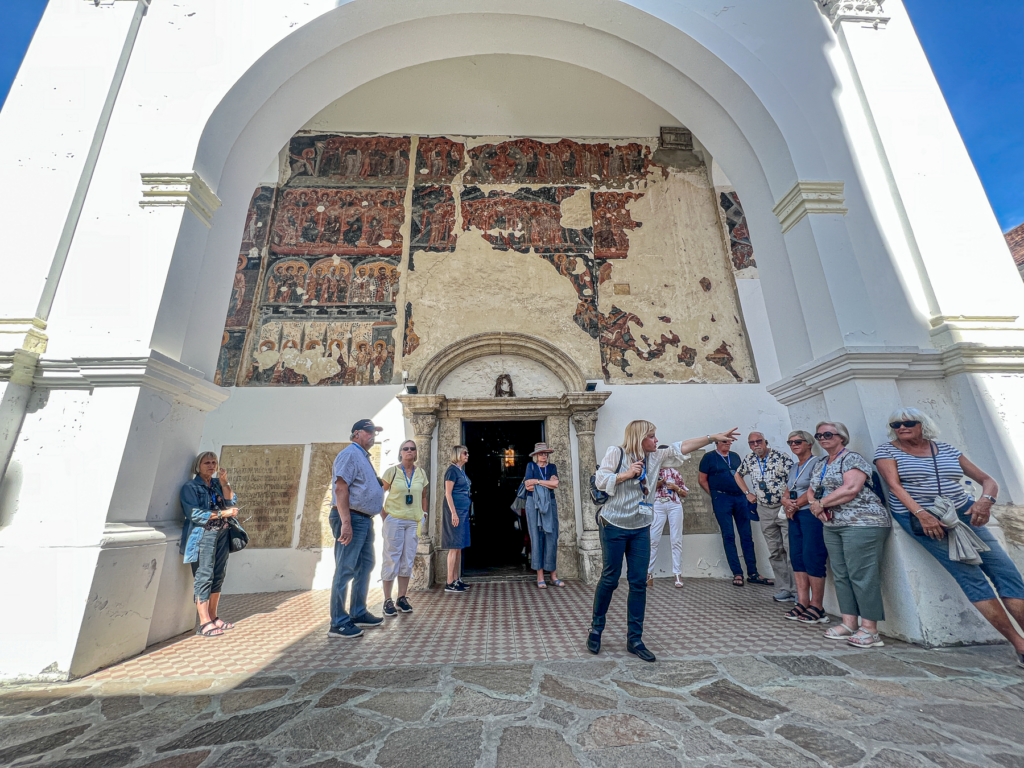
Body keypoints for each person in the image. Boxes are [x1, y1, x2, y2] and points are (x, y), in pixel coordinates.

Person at [875, 408, 1024, 668]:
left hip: (963, 512)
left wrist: (985, 502)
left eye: (908, 423)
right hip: (924, 519)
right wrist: (922, 514)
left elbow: (987, 480)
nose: (901, 427)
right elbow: (894, 486)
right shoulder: (887, 451)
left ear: (923, 425)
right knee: (971, 577)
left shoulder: (946, 449)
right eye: (896, 425)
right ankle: (1019, 644)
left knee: (1005, 571)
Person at [588, 421, 740, 662]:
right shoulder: (615, 452)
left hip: (640, 526)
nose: (656, 441)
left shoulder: (656, 456)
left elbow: (682, 447)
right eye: (652, 436)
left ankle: (635, 639)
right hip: (613, 525)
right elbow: (600, 480)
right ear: (639, 438)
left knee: (639, 582)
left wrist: (712, 437)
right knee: (610, 578)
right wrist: (626, 474)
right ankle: (596, 630)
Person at [809, 421, 891, 648]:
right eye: (819, 435)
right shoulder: (822, 463)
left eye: (828, 434)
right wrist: (816, 505)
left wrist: (821, 504)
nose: (823, 438)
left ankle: (870, 629)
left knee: (862, 574)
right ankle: (849, 623)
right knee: (841, 573)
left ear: (841, 437)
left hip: (862, 522)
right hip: (833, 524)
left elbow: (851, 489)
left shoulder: (852, 459)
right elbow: (811, 489)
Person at [328, 419, 386, 639]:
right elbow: (341, 487)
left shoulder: (362, 456)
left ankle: (358, 612)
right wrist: (345, 522)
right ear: (356, 434)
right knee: (345, 569)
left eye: (375, 432)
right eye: (369, 431)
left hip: (363, 519)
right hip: (352, 517)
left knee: (365, 565)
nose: (373, 435)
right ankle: (338, 622)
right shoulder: (350, 454)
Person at [180, 452, 240, 637]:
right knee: (204, 575)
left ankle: (213, 616)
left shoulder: (216, 484)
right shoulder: (190, 487)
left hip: (222, 533)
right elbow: (195, 514)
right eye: (207, 462)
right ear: (198, 466)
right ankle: (204, 621)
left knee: (218, 574)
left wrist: (224, 481)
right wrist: (223, 514)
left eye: (214, 462)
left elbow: (231, 501)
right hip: (203, 535)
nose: (211, 465)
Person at [698, 438, 771, 588]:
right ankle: (737, 572)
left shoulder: (735, 456)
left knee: (746, 535)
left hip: (739, 497)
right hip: (721, 497)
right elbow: (702, 479)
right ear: (717, 443)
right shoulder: (709, 457)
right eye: (724, 441)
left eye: (729, 441)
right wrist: (714, 495)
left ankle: (753, 572)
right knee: (729, 535)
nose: (727, 443)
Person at [736, 432, 796, 602]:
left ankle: (799, 590)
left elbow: (793, 477)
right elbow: (738, 475)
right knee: (775, 550)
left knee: (790, 547)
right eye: (752, 443)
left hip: (782, 507)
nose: (756, 445)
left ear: (765, 442)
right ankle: (784, 588)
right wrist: (747, 493)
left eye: (759, 441)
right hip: (764, 509)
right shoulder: (749, 459)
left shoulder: (780, 457)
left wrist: (786, 496)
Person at [779, 430, 828, 624]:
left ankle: (817, 605)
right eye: (790, 442)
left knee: (812, 555)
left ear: (809, 443)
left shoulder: (818, 462)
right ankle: (802, 601)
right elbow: (788, 489)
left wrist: (795, 504)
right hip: (795, 514)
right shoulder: (794, 467)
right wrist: (786, 502)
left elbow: (815, 488)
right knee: (797, 556)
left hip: (810, 513)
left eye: (798, 441)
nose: (793, 445)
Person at [379, 439, 429, 618]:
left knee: (407, 559)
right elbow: (379, 494)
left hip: (413, 522)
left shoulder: (421, 473)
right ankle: (387, 599)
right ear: (400, 452)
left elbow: (423, 496)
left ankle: (401, 597)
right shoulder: (392, 472)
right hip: (395, 520)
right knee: (392, 557)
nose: (409, 451)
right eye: (405, 449)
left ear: (416, 453)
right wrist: (385, 515)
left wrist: (423, 514)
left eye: (412, 449)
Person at [524, 442, 563, 588]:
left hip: (550, 504)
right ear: (535, 455)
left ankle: (553, 575)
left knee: (551, 537)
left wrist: (538, 481)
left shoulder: (552, 467)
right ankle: (540, 576)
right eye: (541, 453)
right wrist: (547, 482)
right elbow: (528, 485)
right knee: (536, 537)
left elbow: (556, 484)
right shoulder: (531, 466)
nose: (544, 456)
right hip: (533, 503)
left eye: (546, 453)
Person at [648, 466, 687, 588]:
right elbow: (644, 491)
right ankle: (649, 573)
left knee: (676, 540)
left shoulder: (675, 472)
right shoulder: (652, 471)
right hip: (658, 504)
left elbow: (685, 493)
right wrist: (657, 484)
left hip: (674, 505)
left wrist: (676, 488)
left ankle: (677, 573)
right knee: (653, 539)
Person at [443, 444, 472, 593]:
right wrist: (453, 513)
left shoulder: (460, 471)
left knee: (459, 546)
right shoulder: (451, 471)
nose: (467, 455)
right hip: (455, 512)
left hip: (463, 511)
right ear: (457, 454)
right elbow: (448, 493)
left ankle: (456, 578)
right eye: (464, 453)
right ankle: (449, 582)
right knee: (454, 546)